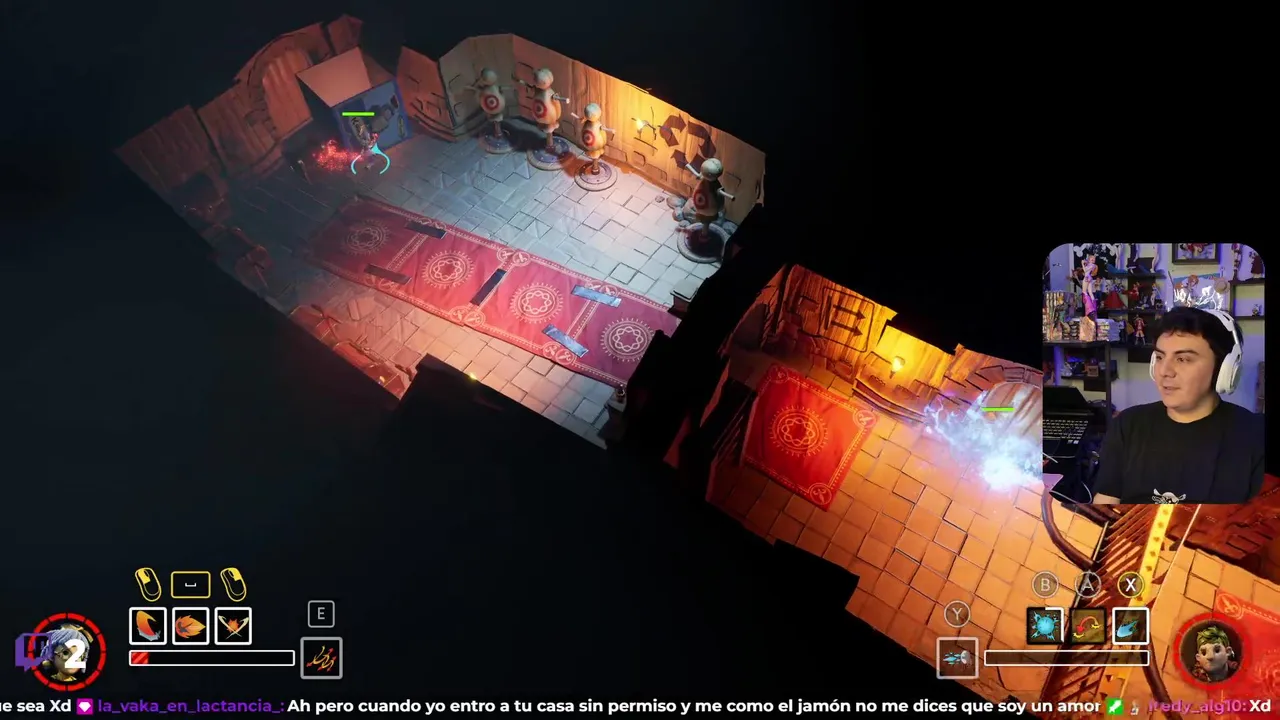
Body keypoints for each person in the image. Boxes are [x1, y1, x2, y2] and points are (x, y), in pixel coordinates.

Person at [1093, 306, 1264, 504]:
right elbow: (1104, 508)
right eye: (1159, 357)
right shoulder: (1128, 424)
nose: (1165, 371)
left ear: (1224, 369)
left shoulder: (1256, 436)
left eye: (1183, 359)